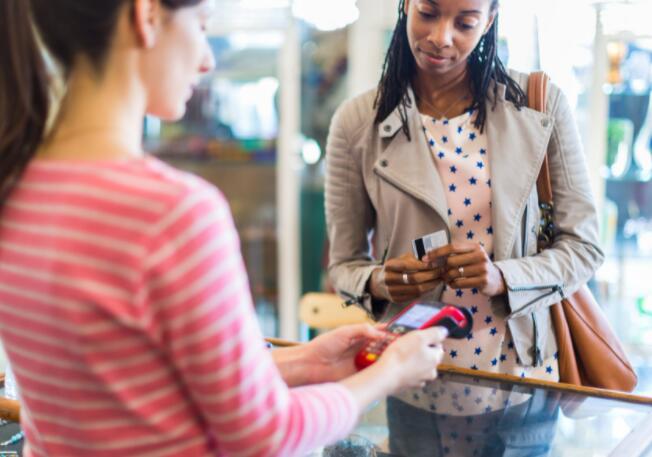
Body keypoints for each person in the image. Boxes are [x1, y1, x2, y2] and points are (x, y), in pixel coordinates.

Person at [0, 1, 448, 456]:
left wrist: (304, 361)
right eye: (200, 25)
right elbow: (267, 436)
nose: (207, 60)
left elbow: (126, 385)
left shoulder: (16, 191)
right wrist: (387, 374)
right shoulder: (173, 214)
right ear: (146, 14)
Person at [325, 0, 604, 412]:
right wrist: (381, 281)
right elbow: (344, 264)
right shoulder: (356, 123)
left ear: (489, 20)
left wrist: (503, 277)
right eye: (428, 13)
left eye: (465, 22)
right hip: (411, 382)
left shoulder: (540, 105)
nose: (441, 37)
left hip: (522, 385)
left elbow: (584, 249)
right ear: (405, 6)